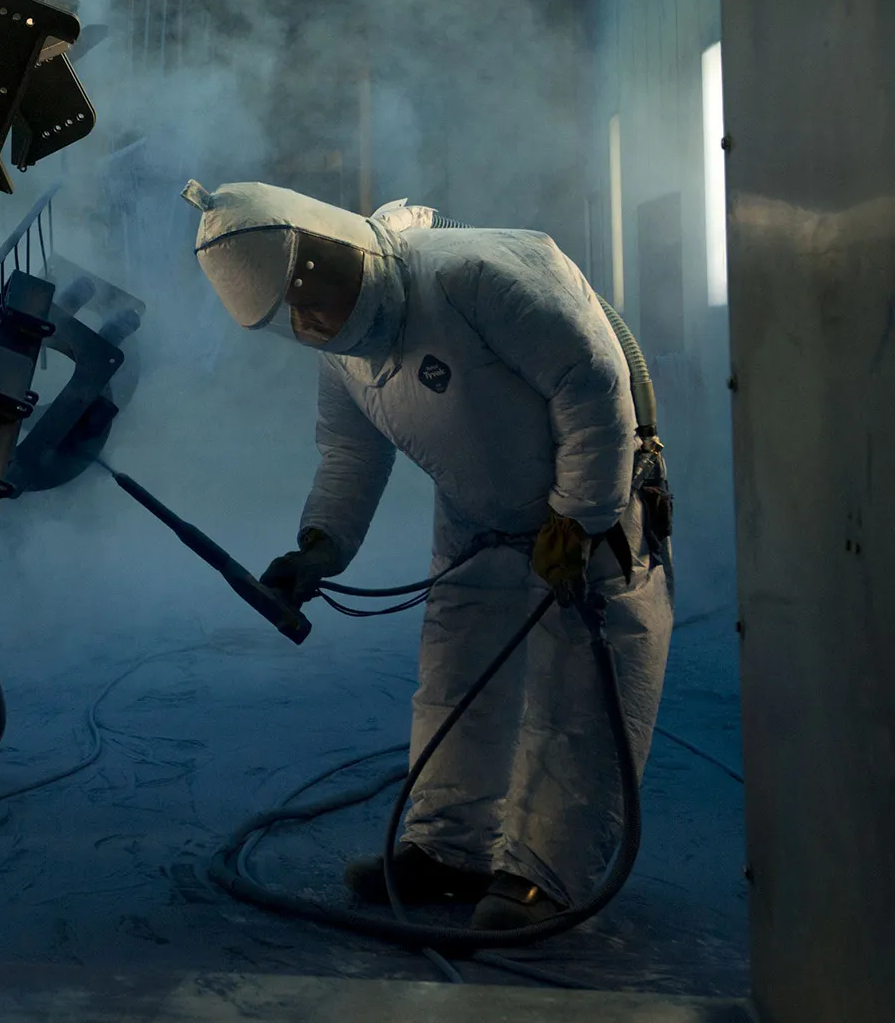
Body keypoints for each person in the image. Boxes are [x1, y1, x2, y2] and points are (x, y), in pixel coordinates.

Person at [182, 180, 674, 930]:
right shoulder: (345, 355)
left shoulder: (473, 274)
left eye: (308, 299)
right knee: (456, 676)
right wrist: (321, 547)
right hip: (478, 515)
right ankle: (448, 852)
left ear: (330, 252)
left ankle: (544, 872)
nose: (309, 322)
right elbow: (349, 455)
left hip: (592, 512)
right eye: (292, 316)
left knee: (576, 690)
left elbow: (594, 382)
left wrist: (578, 518)